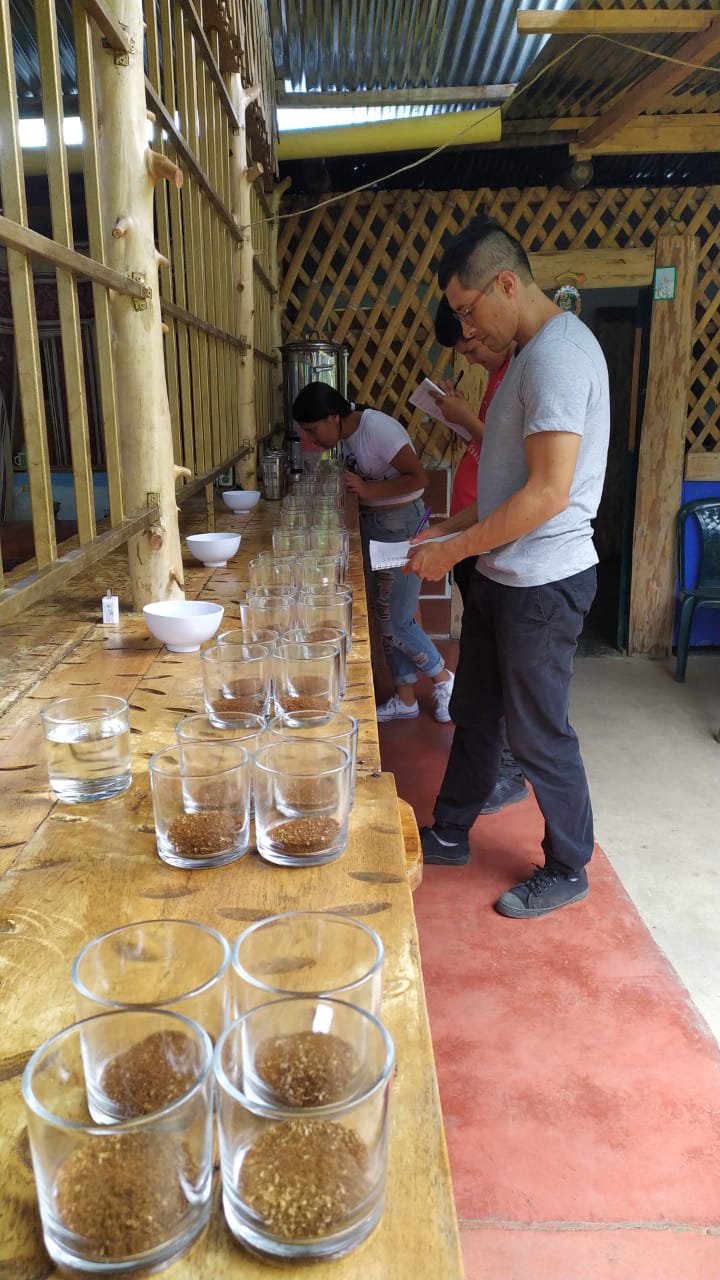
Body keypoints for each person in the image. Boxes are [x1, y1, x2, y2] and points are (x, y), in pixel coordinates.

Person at [406, 219, 610, 919]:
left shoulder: (558, 356)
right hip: (503, 574)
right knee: (476, 712)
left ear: (505, 284)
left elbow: (548, 493)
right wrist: (451, 527)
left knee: (537, 733)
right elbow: (505, 488)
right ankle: (451, 831)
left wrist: (455, 549)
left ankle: (569, 865)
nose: (467, 327)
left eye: (468, 311)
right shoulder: (525, 359)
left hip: (543, 583)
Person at [292, 382, 455, 723]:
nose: (311, 439)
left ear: (333, 417)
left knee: (398, 619)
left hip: (401, 528)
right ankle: (405, 698)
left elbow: (419, 478)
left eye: (312, 429)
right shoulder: (347, 434)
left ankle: (444, 679)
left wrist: (368, 489)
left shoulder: (376, 428)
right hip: (375, 525)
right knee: (384, 616)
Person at [432, 296, 528, 816]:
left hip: (494, 537)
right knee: (481, 665)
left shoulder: (520, 374)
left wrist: (467, 418)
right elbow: (487, 453)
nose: (470, 354)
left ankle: (509, 771)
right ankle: (489, 768)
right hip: (473, 526)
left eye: (471, 344)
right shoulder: (495, 378)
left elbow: (516, 462)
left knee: (506, 666)